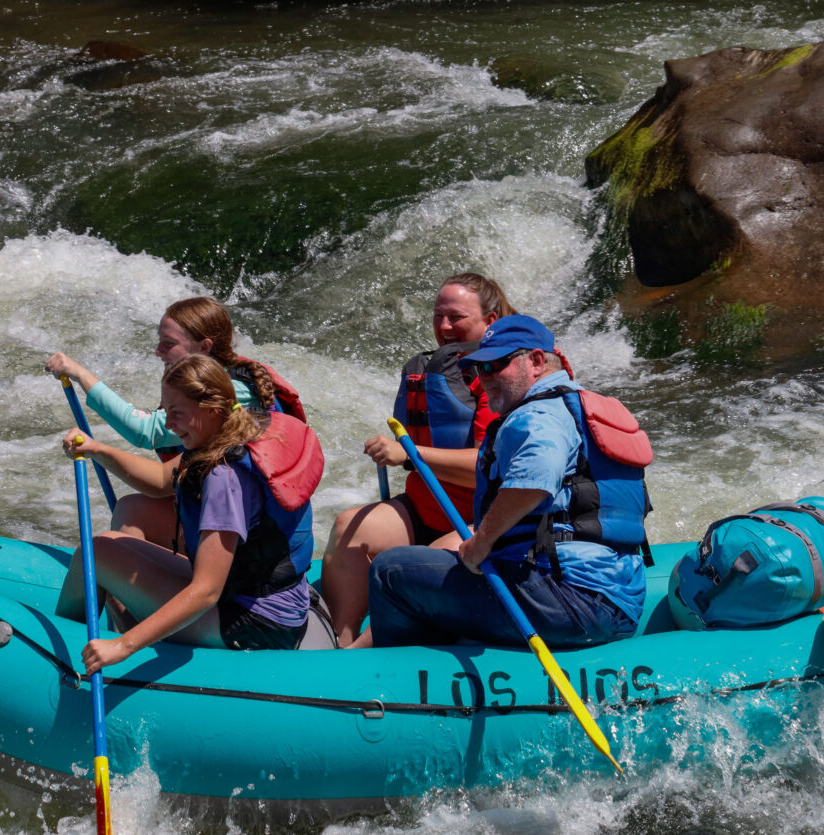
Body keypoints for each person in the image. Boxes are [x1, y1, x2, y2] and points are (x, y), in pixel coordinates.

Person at [363, 314, 652, 649]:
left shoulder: (535, 416)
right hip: (620, 605)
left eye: (496, 365)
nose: (484, 378)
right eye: (478, 369)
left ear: (537, 361)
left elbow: (537, 476)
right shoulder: (583, 408)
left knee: (390, 570)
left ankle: (393, 686)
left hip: (563, 599)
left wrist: (482, 540)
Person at [56, 354, 322, 668]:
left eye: (177, 413)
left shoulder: (226, 477)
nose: (168, 424)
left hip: (255, 622)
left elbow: (207, 590)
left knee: (95, 555)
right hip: (259, 597)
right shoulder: (238, 428)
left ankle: (61, 664)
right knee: (106, 543)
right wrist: (96, 449)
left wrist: (123, 646)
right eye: (166, 411)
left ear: (212, 409)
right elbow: (159, 481)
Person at [321, 273, 516, 646]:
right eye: (438, 316)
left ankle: (357, 661)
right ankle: (338, 645)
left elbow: (487, 469)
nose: (443, 326)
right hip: (429, 510)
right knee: (349, 526)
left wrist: (409, 454)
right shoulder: (434, 371)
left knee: (413, 567)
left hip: (484, 518)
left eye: (456, 317)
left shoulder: (495, 379)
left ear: (490, 322)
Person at [47, 296, 304, 550]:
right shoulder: (218, 380)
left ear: (204, 347)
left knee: (129, 518)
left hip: (248, 537)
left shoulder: (227, 393)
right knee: (131, 508)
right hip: (232, 519)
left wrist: (81, 375)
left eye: (168, 344)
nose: (158, 352)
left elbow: (146, 433)